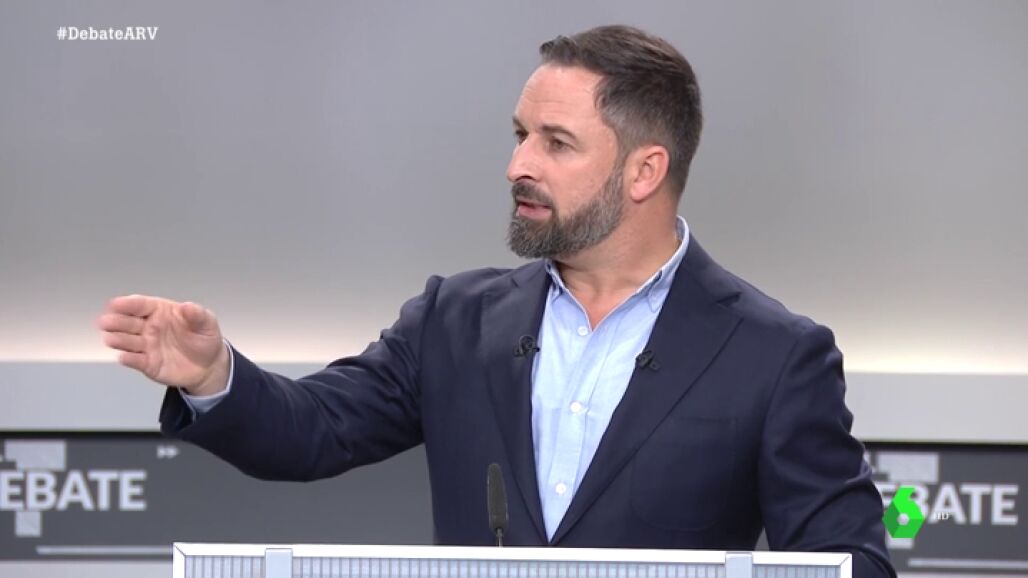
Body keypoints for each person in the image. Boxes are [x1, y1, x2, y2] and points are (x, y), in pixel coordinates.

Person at [98, 25, 895, 577]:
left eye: (556, 143)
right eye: (519, 135)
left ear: (644, 171)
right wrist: (215, 376)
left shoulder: (772, 356)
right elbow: (311, 432)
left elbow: (850, 561)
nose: (519, 165)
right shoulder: (455, 320)